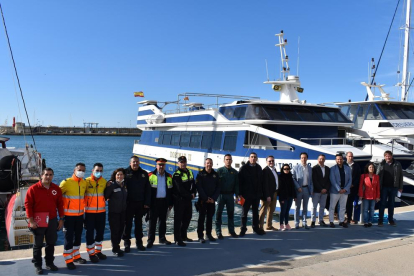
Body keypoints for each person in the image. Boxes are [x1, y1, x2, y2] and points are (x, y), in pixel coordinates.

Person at [24, 168, 64, 275]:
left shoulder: (56, 189)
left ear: (53, 176)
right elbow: (28, 205)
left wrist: (61, 219)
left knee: (51, 244)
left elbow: (60, 204)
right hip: (38, 221)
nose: (48, 177)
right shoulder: (33, 189)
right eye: (46, 174)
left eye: (50, 175)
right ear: (41, 176)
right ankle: (38, 265)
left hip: (52, 220)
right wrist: (31, 221)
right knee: (38, 244)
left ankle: (49, 263)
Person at [60, 163, 88, 270]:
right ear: (74, 170)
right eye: (79, 169)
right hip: (68, 216)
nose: (81, 172)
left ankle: (76, 256)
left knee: (78, 237)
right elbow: (57, 197)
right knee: (68, 238)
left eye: (83, 170)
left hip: (80, 215)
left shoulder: (84, 183)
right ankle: (68, 260)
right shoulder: (66, 183)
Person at [123, 156, 151, 252]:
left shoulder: (144, 174)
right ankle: (127, 244)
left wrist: (147, 203)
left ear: (139, 163)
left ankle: (139, 243)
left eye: (137, 162)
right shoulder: (125, 173)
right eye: (133, 162)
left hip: (140, 204)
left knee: (139, 224)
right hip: (128, 204)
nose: (135, 164)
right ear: (130, 163)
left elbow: (148, 189)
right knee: (128, 225)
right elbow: (116, 182)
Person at [147, 158, 174, 248]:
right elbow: (146, 190)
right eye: (159, 165)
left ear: (165, 166)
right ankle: (150, 240)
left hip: (164, 202)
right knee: (152, 222)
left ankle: (162, 238)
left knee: (163, 221)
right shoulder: (150, 175)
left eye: (163, 165)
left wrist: (170, 203)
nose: (161, 167)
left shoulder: (169, 176)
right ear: (156, 165)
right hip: (154, 202)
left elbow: (171, 191)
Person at [84, 163, 107, 262]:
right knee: (89, 234)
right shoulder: (86, 181)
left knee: (100, 233)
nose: (99, 172)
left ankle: (98, 251)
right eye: (97, 170)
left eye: (101, 171)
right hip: (89, 213)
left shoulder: (104, 182)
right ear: (92, 170)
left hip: (101, 212)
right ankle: (91, 254)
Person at [172, 156, 196, 246]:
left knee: (187, 217)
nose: (183, 164)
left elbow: (193, 184)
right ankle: (177, 239)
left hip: (188, 200)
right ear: (178, 163)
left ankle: (183, 236)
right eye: (181, 162)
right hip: (179, 200)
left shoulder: (190, 172)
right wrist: (190, 195)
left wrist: (194, 192)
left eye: (184, 162)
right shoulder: (177, 174)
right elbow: (179, 189)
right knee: (178, 220)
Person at [238, 152, 264, 236]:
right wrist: (239, 195)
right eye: (251, 157)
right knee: (244, 213)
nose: (253, 158)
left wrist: (261, 193)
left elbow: (261, 182)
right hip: (245, 195)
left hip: (256, 195)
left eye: (254, 157)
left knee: (255, 213)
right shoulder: (243, 168)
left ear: (256, 159)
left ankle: (255, 228)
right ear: (249, 158)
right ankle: (243, 229)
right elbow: (239, 182)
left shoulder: (259, 168)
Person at [196, 158, 220, 243]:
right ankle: (200, 236)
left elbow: (218, 188)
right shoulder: (200, 175)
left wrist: (213, 198)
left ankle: (208, 234)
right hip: (203, 201)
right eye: (207, 163)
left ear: (212, 164)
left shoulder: (215, 175)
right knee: (201, 218)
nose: (209, 165)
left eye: (210, 163)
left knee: (210, 218)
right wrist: (206, 198)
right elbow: (199, 188)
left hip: (212, 201)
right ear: (204, 164)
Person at [376, 150, 403, 226]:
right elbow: (377, 176)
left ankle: (390, 220)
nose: (387, 157)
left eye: (389, 156)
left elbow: (401, 176)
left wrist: (400, 187)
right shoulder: (381, 164)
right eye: (386, 156)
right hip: (384, 187)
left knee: (391, 204)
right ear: (384, 157)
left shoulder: (397, 164)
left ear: (392, 156)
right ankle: (380, 220)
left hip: (394, 187)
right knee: (382, 204)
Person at [216, 154, 239, 239]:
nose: (228, 161)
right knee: (218, 214)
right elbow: (215, 184)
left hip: (230, 195)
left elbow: (236, 185)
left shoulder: (235, 172)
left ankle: (231, 231)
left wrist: (237, 196)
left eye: (229, 159)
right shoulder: (219, 171)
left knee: (231, 214)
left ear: (232, 161)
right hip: (221, 195)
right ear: (224, 160)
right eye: (227, 159)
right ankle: (218, 232)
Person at [105, 168, 128, 256]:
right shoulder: (111, 185)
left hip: (122, 212)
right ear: (115, 176)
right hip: (114, 212)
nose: (119, 176)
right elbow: (106, 196)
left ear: (124, 176)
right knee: (114, 230)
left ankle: (117, 246)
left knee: (121, 230)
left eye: (121, 174)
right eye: (118, 175)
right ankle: (115, 248)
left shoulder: (125, 185)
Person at [329, 154, 352, 228]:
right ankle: (331, 221)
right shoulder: (332, 169)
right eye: (338, 159)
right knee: (332, 206)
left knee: (343, 207)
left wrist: (345, 189)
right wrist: (339, 189)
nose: (339, 160)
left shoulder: (347, 168)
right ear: (336, 160)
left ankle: (341, 221)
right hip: (335, 191)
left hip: (345, 191)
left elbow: (350, 180)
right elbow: (332, 180)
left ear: (343, 159)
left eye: (340, 159)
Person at [292, 152, 313, 229]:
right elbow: (293, 178)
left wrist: (311, 189)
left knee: (305, 207)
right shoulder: (295, 167)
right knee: (297, 207)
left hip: (306, 189)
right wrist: (298, 187)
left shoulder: (310, 168)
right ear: (300, 159)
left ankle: (304, 222)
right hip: (299, 190)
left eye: (305, 158)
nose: (303, 159)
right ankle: (296, 223)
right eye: (302, 158)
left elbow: (311, 180)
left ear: (307, 158)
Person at [259, 155, 279, 231]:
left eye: (272, 161)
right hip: (268, 194)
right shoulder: (265, 171)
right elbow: (265, 185)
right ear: (266, 162)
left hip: (274, 193)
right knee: (263, 210)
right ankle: (260, 227)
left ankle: (269, 225)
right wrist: (267, 195)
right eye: (269, 161)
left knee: (271, 210)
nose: (271, 162)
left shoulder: (274, 170)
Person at [311, 154, 330, 227]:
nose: (321, 160)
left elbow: (329, 180)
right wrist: (321, 189)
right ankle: (313, 221)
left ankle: (321, 220)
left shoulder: (328, 169)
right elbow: (314, 180)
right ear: (317, 159)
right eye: (320, 159)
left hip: (325, 191)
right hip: (316, 191)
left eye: (323, 159)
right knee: (314, 207)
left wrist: (326, 189)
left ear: (325, 160)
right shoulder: (314, 169)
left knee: (322, 206)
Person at [358, 162, 380, 228]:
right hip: (366, 195)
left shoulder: (376, 176)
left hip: (373, 195)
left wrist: (378, 196)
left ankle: (370, 221)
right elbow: (361, 186)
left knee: (372, 209)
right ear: (367, 168)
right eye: (370, 167)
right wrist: (360, 195)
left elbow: (378, 187)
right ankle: (366, 221)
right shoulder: (363, 176)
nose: (371, 168)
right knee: (365, 209)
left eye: (372, 167)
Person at [345, 151, 361, 224]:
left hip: (353, 188)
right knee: (343, 204)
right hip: (344, 188)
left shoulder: (356, 165)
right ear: (346, 157)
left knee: (350, 203)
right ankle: (342, 217)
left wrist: (353, 184)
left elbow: (358, 176)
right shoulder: (343, 165)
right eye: (349, 156)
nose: (350, 157)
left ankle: (349, 218)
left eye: (351, 156)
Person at [278, 164, 296, 231]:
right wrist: (281, 199)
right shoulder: (280, 177)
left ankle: (286, 223)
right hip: (283, 197)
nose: (286, 170)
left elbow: (293, 188)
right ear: (282, 170)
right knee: (283, 211)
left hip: (290, 196)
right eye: (285, 169)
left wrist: (295, 196)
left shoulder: (290, 177)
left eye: (288, 169)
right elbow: (280, 189)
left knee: (287, 211)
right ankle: (281, 224)